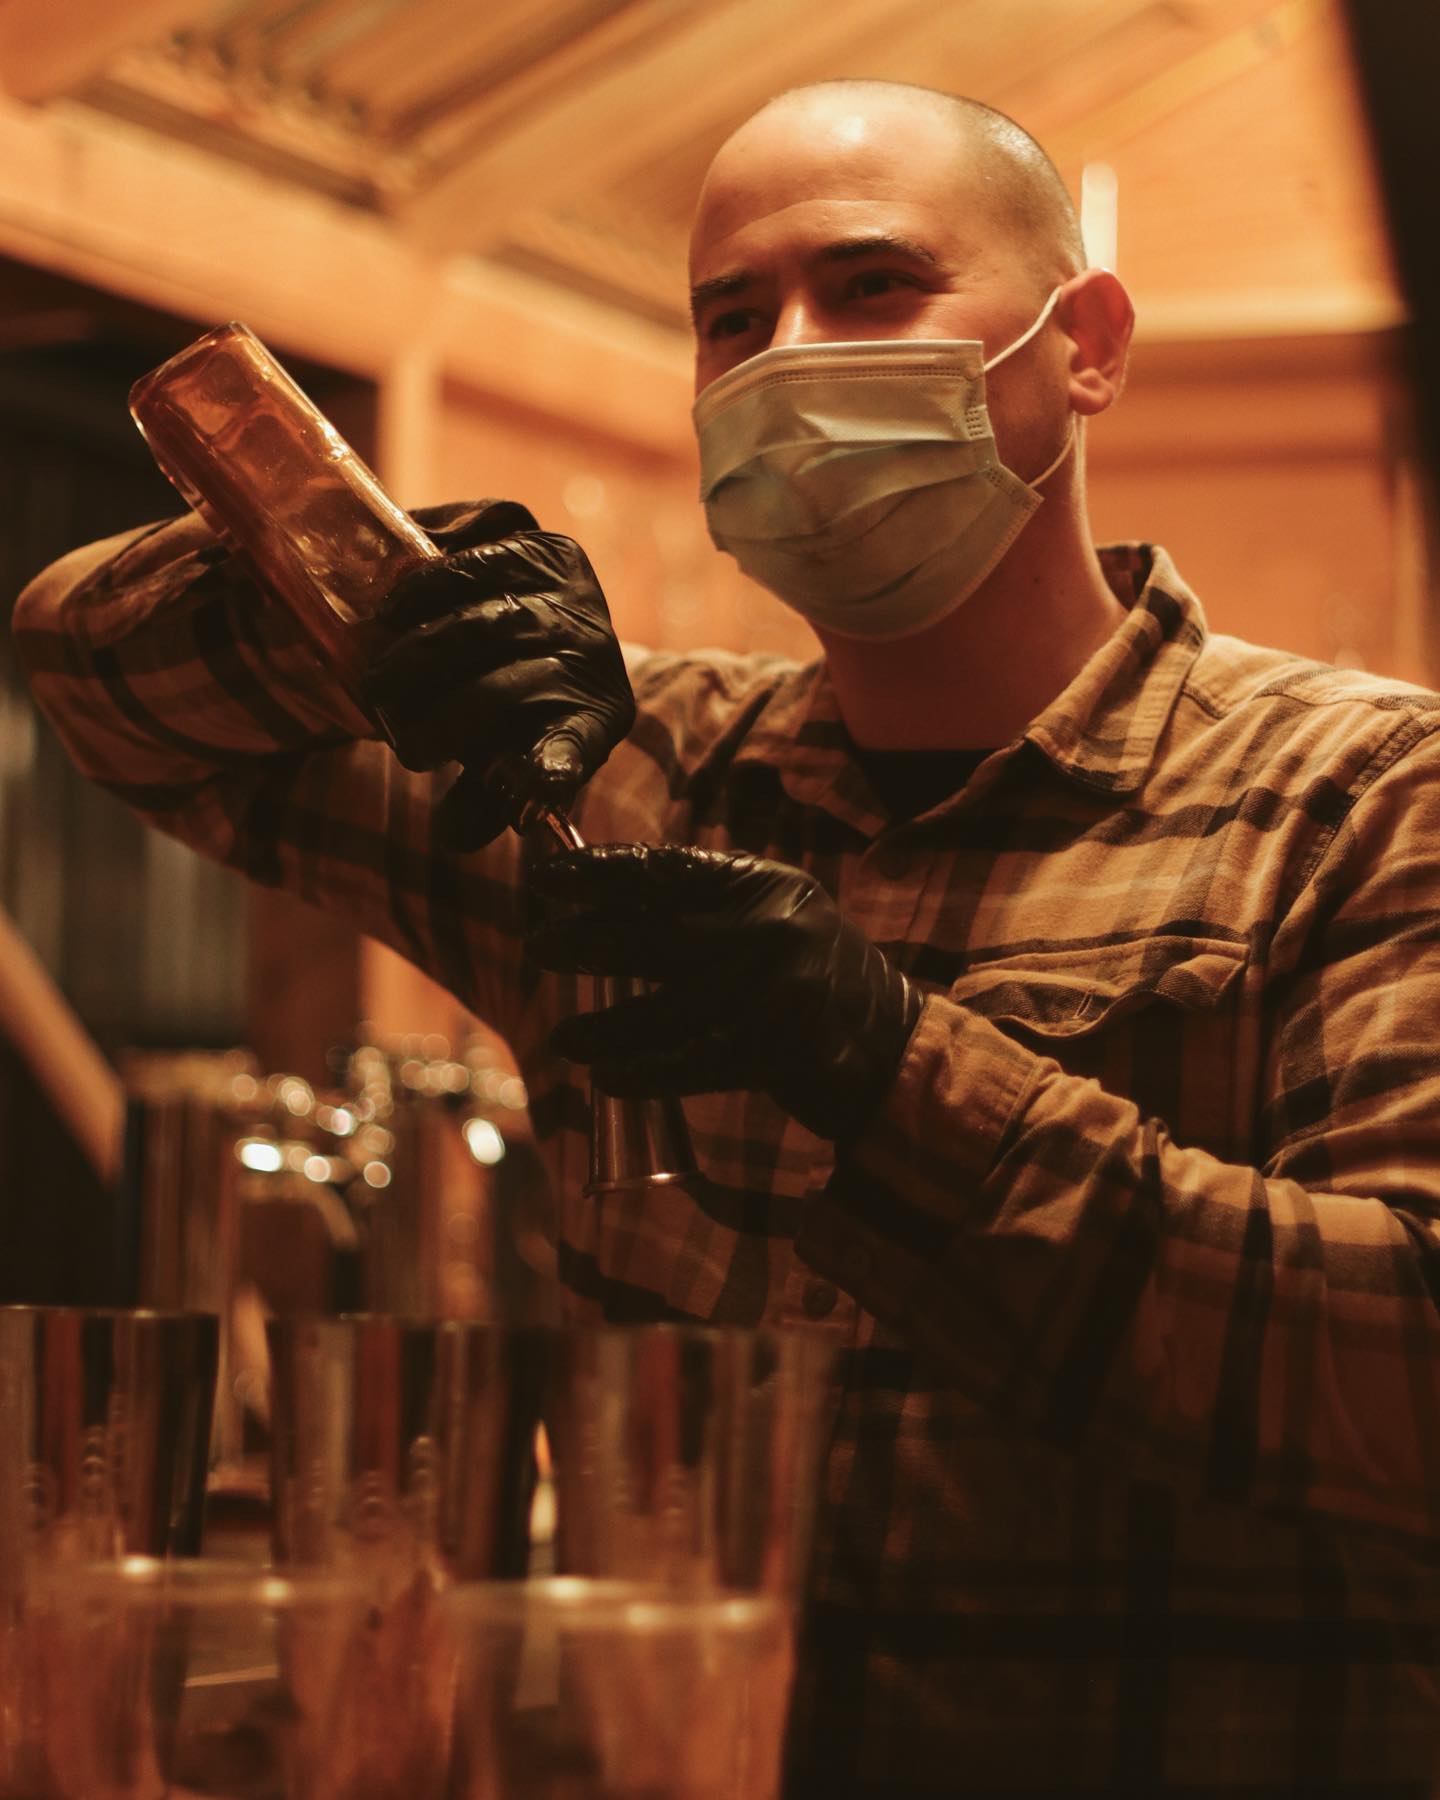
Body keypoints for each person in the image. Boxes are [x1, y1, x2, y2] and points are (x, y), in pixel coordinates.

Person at [15, 77, 1440, 1794]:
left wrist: (891, 1072)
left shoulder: (1363, 793)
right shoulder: (614, 774)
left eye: (872, 285)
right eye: (731, 320)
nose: (789, 360)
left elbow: (1406, 1383)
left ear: (1088, 347)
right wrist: (380, 600)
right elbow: (92, 682)